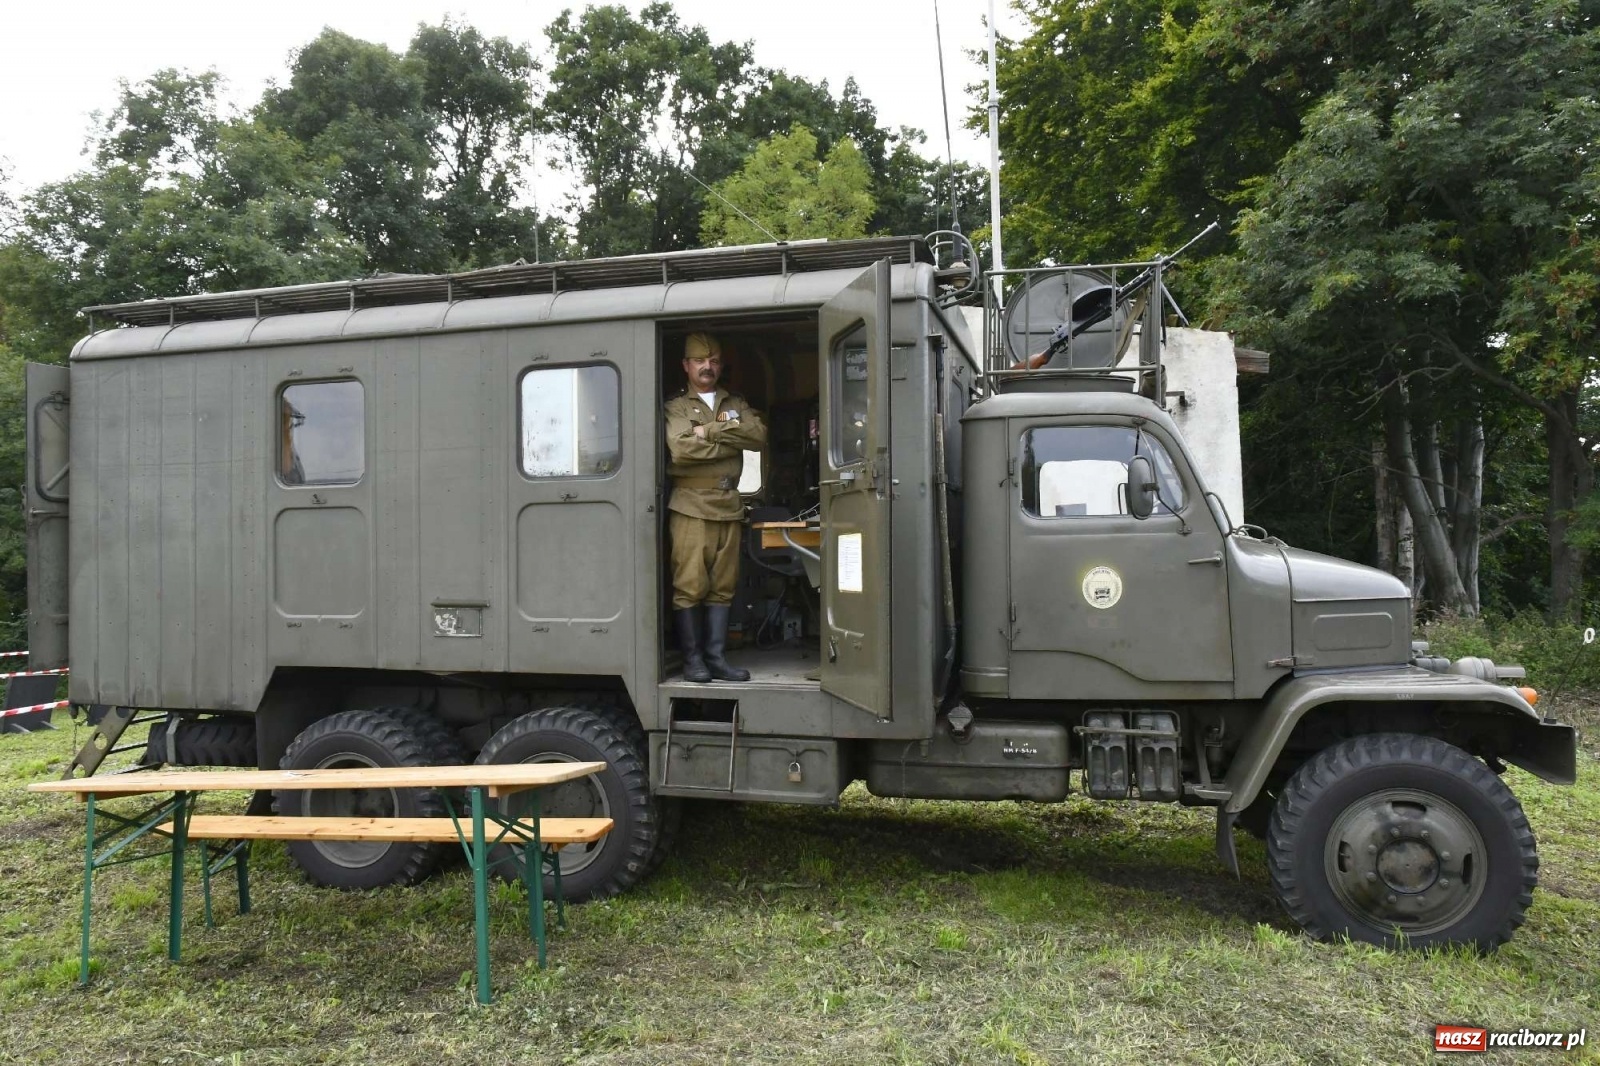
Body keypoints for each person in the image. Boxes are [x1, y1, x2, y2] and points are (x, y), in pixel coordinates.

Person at [665, 332, 768, 682]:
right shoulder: (677, 406)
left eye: (713, 361)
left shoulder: (733, 401)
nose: (707, 367)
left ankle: (716, 659)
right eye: (699, 361)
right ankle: (694, 661)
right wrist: (727, 434)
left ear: (720, 364)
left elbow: (757, 434)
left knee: (724, 585)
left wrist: (706, 432)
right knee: (690, 584)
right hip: (691, 506)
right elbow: (680, 450)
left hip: (729, 503)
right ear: (686, 366)